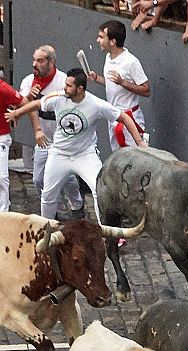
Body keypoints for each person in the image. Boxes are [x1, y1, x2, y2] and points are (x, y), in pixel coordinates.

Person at [5, 69, 147, 221]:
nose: (64, 88)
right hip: (59, 153)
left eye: (69, 86)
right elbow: (37, 104)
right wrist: (17, 113)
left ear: (80, 89)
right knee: (47, 195)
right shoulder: (58, 98)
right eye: (65, 84)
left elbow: (124, 117)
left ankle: (104, 232)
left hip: (85, 154)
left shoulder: (96, 104)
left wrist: (139, 142)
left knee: (99, 191)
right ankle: (47, 230)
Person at [19, 45, 85, 220]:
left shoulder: (64, 81)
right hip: (44, 139)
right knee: (38, 179)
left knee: (68, 178)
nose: (35, 64)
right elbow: (22, 106)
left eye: (40, 60)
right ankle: (51, 213)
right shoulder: (28, 82)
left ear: (51, 62)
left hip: (63, 139)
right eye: (34, 59)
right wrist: (30, 100)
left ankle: (77, 207)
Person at [90, 20, 150, 151]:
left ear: (113, 41)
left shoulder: (131, 62)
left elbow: (146, 90)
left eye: (101, 37)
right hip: (113, 117)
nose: (97, 40)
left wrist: (123, 82)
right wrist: (97, 78)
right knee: (117, 159)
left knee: (135, 159)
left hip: (130, 119)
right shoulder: (108, 58)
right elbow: (112, 84)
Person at [0, 78, 27, 212]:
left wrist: (16, 113)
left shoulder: (3, 88)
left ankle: (3, 213)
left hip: (1, 137)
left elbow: (24, 102)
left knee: (1, 177)